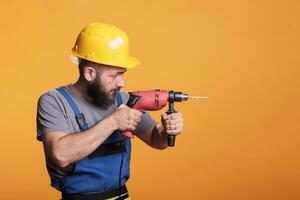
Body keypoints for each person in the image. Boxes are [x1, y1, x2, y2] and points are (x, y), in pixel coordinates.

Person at [36, 22, 184, 200]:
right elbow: (60, 155)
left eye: (123, 74)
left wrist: (167, 130)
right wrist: (113, 122)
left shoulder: (124, 100)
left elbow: (155, 139)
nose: (122, 83)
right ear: (90, 73)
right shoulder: (54, 101)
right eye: (115, 75)